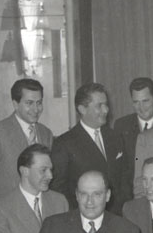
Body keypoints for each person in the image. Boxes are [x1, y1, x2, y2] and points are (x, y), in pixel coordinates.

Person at [0, 79, 53, 214]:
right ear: (15, 104)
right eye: (29, 103)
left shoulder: (46, 133)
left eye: (39, 103)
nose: (36, 109)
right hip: (9, 214)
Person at [51, 83, 126, 215]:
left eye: (106, 104)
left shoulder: (115, 137)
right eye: (99, 106)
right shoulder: (64, 143)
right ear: (82, 109)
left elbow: (124, 179)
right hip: (83, 217)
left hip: (116, 217)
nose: (106, 110)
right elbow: (59, 191)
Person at [113, 77, 153, 207]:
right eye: (136, 102)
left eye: (145, 101)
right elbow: (121, 170)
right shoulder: (121, 126)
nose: (141, 108)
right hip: (131, 200)